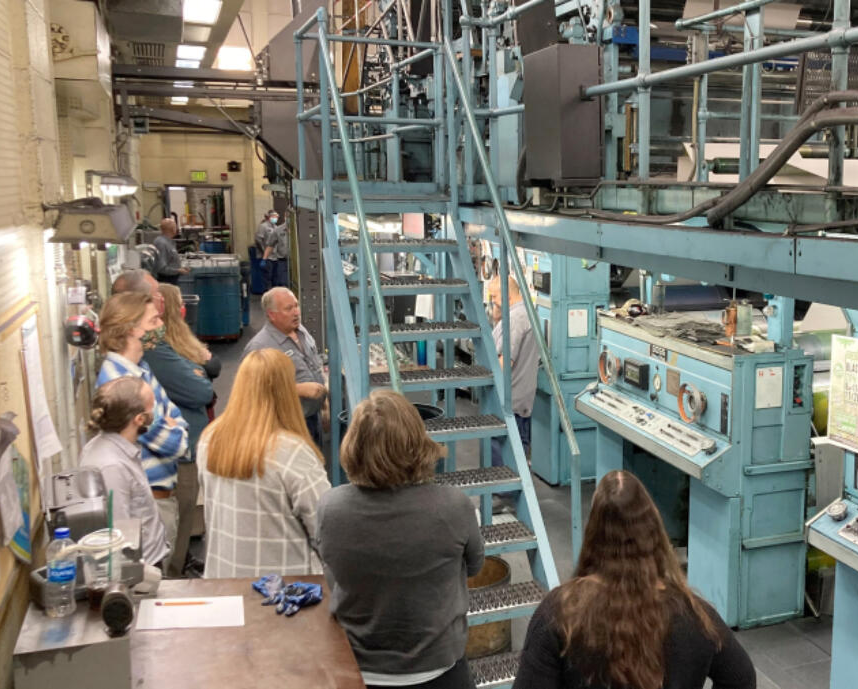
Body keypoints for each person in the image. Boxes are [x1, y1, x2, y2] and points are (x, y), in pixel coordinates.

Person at [512, 470, 756, 689]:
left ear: (594, 534)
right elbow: (741, 678)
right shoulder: (696, 615)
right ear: (654, 533)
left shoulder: (560, 614)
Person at [318, 390, 483, 689]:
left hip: (357, 668)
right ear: (418, 442)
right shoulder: (454, 506)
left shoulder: (332, 508)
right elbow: (474, 566)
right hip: (439, 669)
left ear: (353, 444)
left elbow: (334, 572)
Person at [198, 348, 330, 578]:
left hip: (223, 581)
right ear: (287, 391)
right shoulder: (293, 453)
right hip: (281, 593)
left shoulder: (210, 439)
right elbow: (324, 529)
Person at [95, 292, 189, 563]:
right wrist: (172, 427)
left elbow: (175, 418)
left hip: (163, 496)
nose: (160, 326)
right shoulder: (121, 383)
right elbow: (177, 444)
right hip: (152, 504)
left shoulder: (141, 369)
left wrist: (172, 424)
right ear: (131, 328)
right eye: (154, 320)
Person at [143, 282, 218, 577]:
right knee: (178, 520)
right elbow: (201, 390)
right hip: (178, 456)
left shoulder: (161, 346)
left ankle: (178, 565)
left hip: (186, 445)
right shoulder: (155, 352)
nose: (159, 321)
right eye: (153, 316)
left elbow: (208, 370)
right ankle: (172, 579)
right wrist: (198, 373)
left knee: (183, 523)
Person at [79, 376, 170, 568]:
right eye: (152, 407)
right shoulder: (112, 467)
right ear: (139, 419)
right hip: (142, 570)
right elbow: (118, 534)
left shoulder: (110, 448)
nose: (155, 413)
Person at [244, 287, 327, 446]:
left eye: (296, 305)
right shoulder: (260, 347)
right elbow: (250, 391)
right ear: (271, 315)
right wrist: (297, 389)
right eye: (288, 309)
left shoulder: (302, 332)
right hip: (285, 427)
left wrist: (324, 406)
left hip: (312, 418)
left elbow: (315, 367)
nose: (296, 312)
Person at [487, 275, 537, 506]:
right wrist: (497, 313)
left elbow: (504, 363)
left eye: (494, 297)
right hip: (517, 399)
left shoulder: (516, 319)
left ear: (507, 296)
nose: (491, 302)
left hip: (511, 402)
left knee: (506, 453)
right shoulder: (516, 314)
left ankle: (507, 500)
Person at [152, 218, 189, 285]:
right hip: (166, 281)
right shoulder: (161, 243)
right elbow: (161, 268)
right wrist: (178, 270)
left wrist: (180, 268)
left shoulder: (168, 242)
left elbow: (170, 261)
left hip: (172, 280)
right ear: (172, 229)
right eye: (175, 226)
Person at [263, 209, 290, 288]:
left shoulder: (300, 229)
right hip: (283, 261)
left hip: (297, 261)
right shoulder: (278, 230)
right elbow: (270, 245)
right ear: (285, 217)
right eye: (287, 216)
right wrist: (264, 259)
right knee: (283, 283)